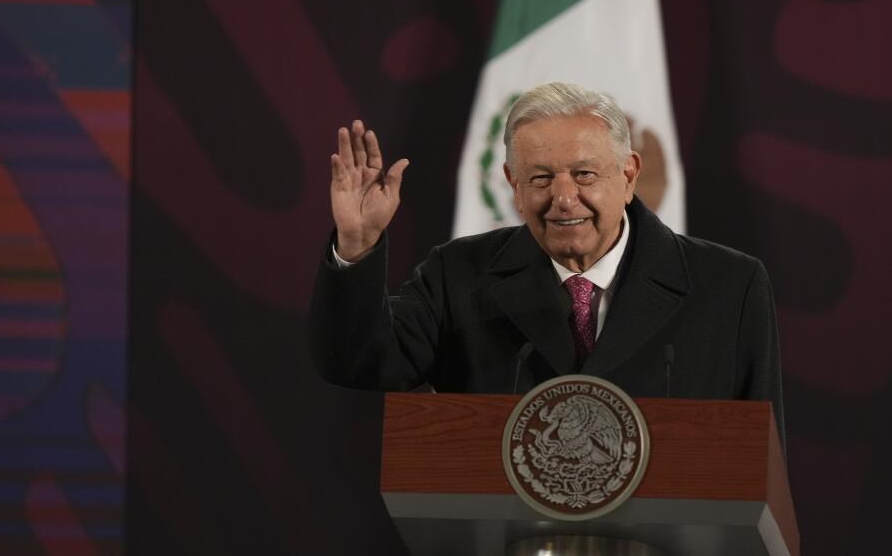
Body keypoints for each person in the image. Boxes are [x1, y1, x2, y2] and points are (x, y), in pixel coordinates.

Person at [308, 82, 785, 439]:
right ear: (512, 184)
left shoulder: (729, 286)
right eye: (539, 178)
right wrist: (356, 245)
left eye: (584, 174)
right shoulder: (458, 275)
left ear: (629, 174)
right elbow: (360, 362)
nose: (563, 198)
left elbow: (761, 463)